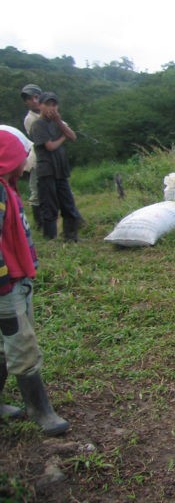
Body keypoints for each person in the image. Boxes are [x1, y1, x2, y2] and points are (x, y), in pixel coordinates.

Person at [0, 131, 69, 435]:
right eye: (20, 159)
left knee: (6, 346)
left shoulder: (7, 189)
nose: (24, 166)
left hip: (16, 282)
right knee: (21, 343)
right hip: (5, 288)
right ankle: (39, 410)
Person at [28, 92, 84, 241]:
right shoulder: (38, 125)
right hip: (46, 171)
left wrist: (59, 122)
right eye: (48, 104)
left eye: (54, 105)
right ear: (40, 106)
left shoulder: (58, 122)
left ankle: (71, 236)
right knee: (50, 206)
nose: (51, 108)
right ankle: (50, 238)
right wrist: (63, 136)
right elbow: (50, 146)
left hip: (61, 170)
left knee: (68, 204)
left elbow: (73, 137)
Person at [20, 84, 43, 229]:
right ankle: (39, 224)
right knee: (36, 191)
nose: (33, 101)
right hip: (37, 158)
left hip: (53, 157)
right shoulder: (30, 119)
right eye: (29, 99)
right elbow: (40, 137)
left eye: (35, 97)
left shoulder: (49, 111)